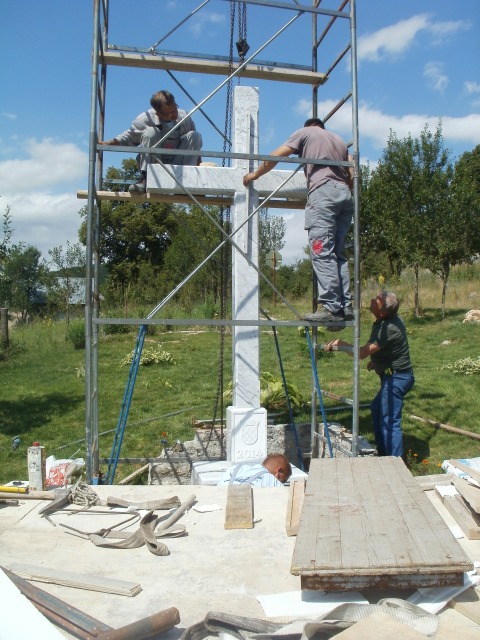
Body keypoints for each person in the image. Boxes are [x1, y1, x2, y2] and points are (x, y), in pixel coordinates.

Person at [243, 117, 353, 325]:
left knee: (321, 250)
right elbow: (351, 171)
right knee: (338, 252)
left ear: (310, 127)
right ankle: (345, 305)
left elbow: (274, 156)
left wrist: (255, 174)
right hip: (344, 195)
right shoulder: (339, 140)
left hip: (324, 194)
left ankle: (331, 307)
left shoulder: (305, 133)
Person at [324, 291, 415, 458]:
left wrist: (341, 344)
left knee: (390, 421)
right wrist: (377, 362)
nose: (373, 299)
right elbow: (391, 347)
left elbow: (362, 353)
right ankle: (383, 454)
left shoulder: (388, 328)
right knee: (377, 409)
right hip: (393, 375)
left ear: (382, 312)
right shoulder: (386, 320)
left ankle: (395, 462)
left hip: (397, 378)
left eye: (377, 300)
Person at [100, 90, 202, 193]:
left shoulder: (184, 117)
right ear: (158, 113)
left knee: (195, 135)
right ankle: (145, 180)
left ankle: (190, 181)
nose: (174, 114)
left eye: (175, 109)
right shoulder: (145, 119)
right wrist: (107, 144)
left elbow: (194, 146)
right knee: (151, 132)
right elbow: (127, 138)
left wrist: (201, 176)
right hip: (155, 164)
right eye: (169, 113)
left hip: (178, 166)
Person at [217, 454, 292, 487]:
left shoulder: (234, 468)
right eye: (282, 480)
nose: (281, 482)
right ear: (279, 471)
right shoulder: (273, 481)